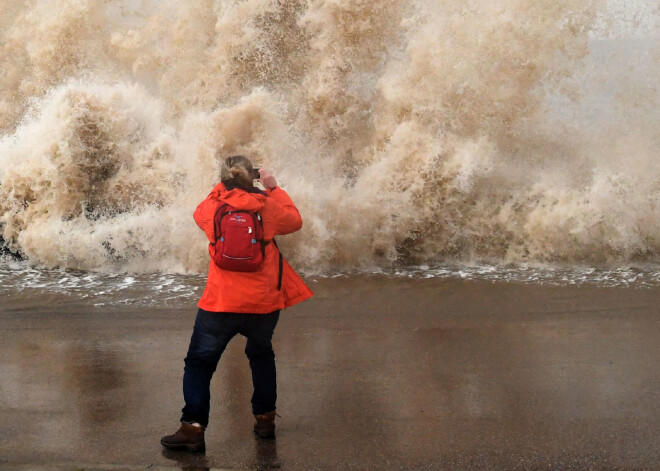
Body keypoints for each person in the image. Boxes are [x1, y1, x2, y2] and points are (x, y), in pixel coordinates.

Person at [161, 155, 313, 451]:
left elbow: (197, 212)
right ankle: (265, 420)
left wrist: (223, 187)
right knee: (261, 355)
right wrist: (273, 187)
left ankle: (192, 429)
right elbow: (295, 221)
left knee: (199, 363)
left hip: (220, 304)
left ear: (224, 179)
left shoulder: (213, 207)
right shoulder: (268, 207)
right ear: (252, 177)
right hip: (262, 304)